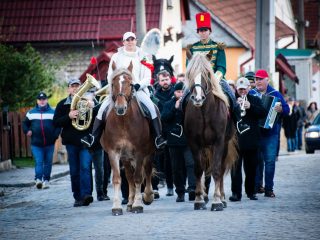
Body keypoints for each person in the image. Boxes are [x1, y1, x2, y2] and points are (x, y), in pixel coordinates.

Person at [81, 31, 166, 149]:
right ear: (124, 42)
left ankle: (158, 137)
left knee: (151, 108)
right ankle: (92, 137)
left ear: (136, 41)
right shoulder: (116, 56)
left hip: (138, 89)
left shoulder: (143, 56)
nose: (130, 42)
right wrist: (115, 86)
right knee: (102, 109)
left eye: (132, 39)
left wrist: (137, 85)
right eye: (127, 40)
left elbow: (148, 76)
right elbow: (110, 75)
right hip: (119, 90)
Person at [189, 12, 249, 134]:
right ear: (198, 32)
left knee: (230, 95)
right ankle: (180, 125)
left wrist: (214, 78)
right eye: (200, 30)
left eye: (205, 30)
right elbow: (188, 66)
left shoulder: (218, 47)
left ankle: (239, 122)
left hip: (216, 79)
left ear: (209, 31)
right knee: (183, 97)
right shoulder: (192, 48)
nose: (203, 32)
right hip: (197, 80)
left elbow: (221, 67)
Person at [53, 79, 93, 207]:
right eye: (73, 86)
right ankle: (77, 196)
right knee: (74, 170)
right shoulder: (62, 105)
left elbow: (96, 120)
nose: (75, 89)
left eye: (78, 86)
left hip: (85, 141)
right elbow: (56, 122)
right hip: (71, 142)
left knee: (86, 167)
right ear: (68, 89)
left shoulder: (87, 102)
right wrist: (68, 116)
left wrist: (93, 107)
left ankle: (87, 194)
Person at [249, 69, 289, 198]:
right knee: (255, 161)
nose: (258, 81)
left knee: (270, 161)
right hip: (255, 133)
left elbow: (287, 109)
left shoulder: (275, 94)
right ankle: (255, 186)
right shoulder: (251, 93)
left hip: (270, 133)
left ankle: (269, 189)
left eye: (261, 79)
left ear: (267, 80)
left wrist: (281, 109)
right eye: (256, 79)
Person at [229, 78, 267, 202]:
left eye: (244, 89)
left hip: (251, 140)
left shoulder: (255, 99)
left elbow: (262, 113)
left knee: (251, 168)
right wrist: (235, 105)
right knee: (235, 169)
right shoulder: (231, 100)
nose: (242, 91)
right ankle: (236, 193)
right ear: (236, 89)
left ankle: (250, 192)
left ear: (249, 88)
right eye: (240, 89)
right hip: (236, 141)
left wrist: (250, 106)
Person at [161, 82, 196, 202]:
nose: (180, 94)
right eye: (178, 92)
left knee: (191, 164)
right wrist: (175, 108)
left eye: (182, 92)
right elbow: (164, 118)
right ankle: (180, 192)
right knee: (176, 168)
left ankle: (192, 189)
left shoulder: (189, 103)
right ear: (174, 92)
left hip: (187, 140)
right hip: (173, 141)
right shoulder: (168, 104)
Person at [22, 92, 60, 189]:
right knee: (39, 161)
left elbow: (58, 125)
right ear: (37, 101)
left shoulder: (53, 112)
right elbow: (24, 124)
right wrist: (27, 131)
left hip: (50, 143)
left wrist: (55, 136)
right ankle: (38, 180)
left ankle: (46, 180)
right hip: (36, 143)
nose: (42, 101)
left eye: (44, 99)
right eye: (40, 99)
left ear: (47, 100)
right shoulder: (31, 113)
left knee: (48, 162)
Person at [154, 70, 175, 196]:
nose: (165, 82)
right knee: (158, 160)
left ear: (170, 79)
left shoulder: (176, 93)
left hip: (173, 130)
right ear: (159, 81)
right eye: (162, 80)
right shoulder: (155, 94)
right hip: (160, 131)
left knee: (172, 160)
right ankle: (156, 186)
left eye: (166, 79)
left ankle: (171, 186)